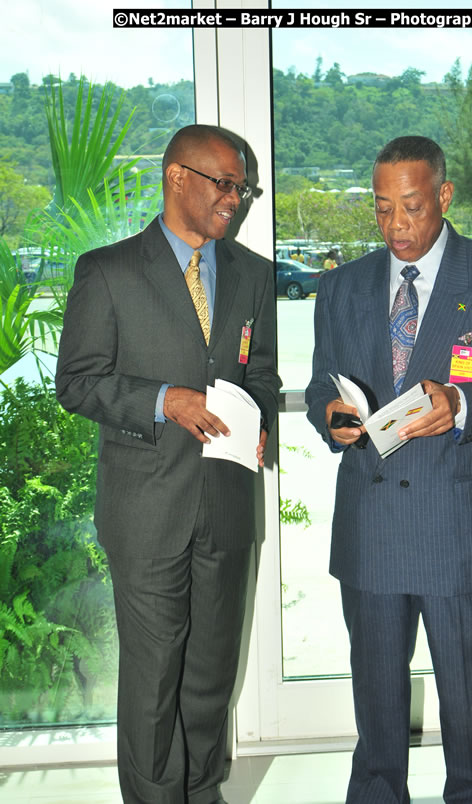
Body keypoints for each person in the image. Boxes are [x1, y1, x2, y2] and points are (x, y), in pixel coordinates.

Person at [55, 124, 281, 804]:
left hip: (227, 502)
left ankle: (202, 790)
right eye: (225, 183)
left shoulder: (252, 276)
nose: (235, 200)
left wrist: (259, 421)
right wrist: (162, 400)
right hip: (147, 511)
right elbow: (77, 382)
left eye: (242, 188)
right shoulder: (109, 271)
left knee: (212, 673)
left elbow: (260, 373)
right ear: (177, 177)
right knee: (154, 677)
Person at [305, 135, 472, 803]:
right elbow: (323, 379)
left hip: (460, 524)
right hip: (372, 524)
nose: (397, 226)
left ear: (443, 195)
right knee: (376, 699)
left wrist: (463, 402)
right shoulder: (341, 287)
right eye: (382, 210)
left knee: (470, 696)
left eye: (411, 207)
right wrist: (332, 414)